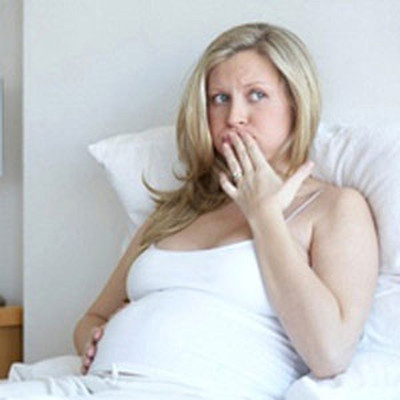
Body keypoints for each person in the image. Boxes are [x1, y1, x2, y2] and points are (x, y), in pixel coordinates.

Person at [0, 22, 378, 400]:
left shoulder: (334, 208)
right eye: (220, 98)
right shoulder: (180, 210)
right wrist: (93, 341)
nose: (234, 116)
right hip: (91, 386)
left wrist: (264, 216)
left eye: (257, 95)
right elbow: (92, 319)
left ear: (296, 104)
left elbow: (330, 354)